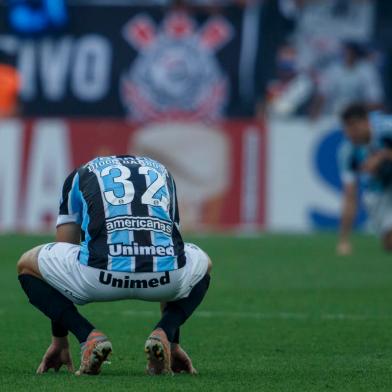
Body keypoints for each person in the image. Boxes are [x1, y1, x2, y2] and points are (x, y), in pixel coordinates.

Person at [17, 155, 212, 375]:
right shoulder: (163, 172)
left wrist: (60, 340)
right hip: (165, 280)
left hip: (99, 278)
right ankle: (164, 332)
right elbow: (171, 247)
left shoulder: (81, 173)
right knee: (202, 263)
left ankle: (87, 336)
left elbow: (63, 249)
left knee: (27, 265)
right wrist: (173, 342)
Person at [337, 104, 392, 255]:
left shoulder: (387, 128)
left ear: (367, 122)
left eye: (354, 127)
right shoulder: (348, 153)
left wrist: (383, 156)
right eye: (347, 129)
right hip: (379, 190)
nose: (350, 133)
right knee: (389, 243)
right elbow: (350, 196)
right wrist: (344, 240)